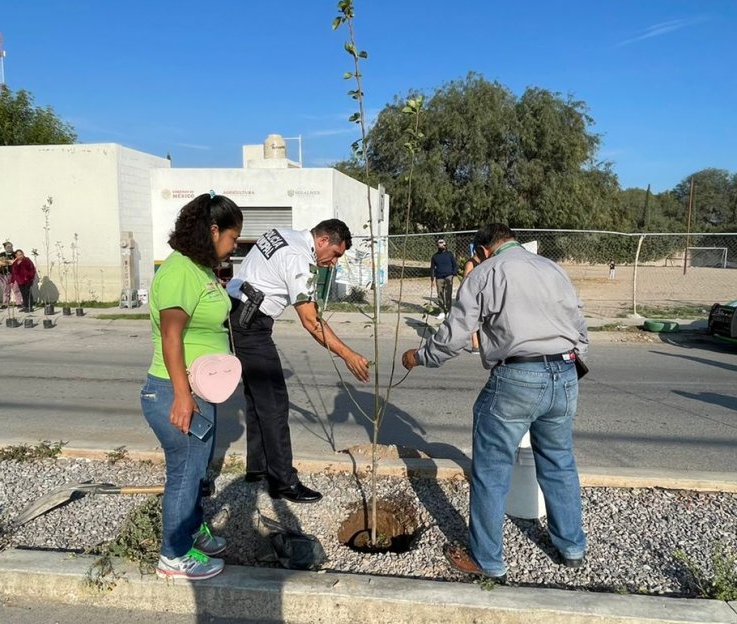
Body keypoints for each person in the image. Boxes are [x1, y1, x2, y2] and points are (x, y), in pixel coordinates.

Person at [402, 223, 589, 583]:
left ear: (483, 250)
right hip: (565, 374)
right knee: (559, 462)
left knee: (491, 471)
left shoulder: (486, 272)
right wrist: (571, 357)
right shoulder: (552, 268)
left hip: (517, 377)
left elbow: (454, 336)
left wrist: (420, 356)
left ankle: (487, 559)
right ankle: (572, 548)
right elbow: (580, 326)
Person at [226, 218, 370, 504]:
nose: (333, 262)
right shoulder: (300, 259)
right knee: (275, 405)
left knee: (257, 398)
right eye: (336, 254)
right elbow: (311, 321)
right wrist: (348, 355)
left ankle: (259, 468)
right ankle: (283, 482)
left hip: (236, 313)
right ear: (323, 241)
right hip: (251, 324)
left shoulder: (280, 232)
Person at [143, 193, 243, 580]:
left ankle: (190, 529)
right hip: (173, 389)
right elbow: (171, 336)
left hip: (197, 390)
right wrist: (183, 396)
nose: (234, 246)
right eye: (233, 238)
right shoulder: (179, 271)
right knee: (184, 473)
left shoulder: (200, 269)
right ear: (213, 230)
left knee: (196, 469)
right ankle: (173, 555)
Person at [430, 238, 457, 319]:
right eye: (439, 243)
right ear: (437, 245)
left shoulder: (449, 254)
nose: (441, 245)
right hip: (439, 278)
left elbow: (454, 265)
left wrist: (453, 275)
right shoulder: (435, 256)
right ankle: (442, 312)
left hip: (449, 276)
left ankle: (448, 311)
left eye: (442, 243)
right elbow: (432, 268)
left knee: (448, 294)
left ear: (445, 245)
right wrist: (432, 279)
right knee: (440, 295)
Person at [463, 244, 482, 354]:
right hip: (472, 294)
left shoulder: (484, 262)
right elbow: (466, 280)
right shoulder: (471, 263)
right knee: (473, 320)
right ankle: (475, 345)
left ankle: (481, 343)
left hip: (482, 294)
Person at [0, 242, 18, 308]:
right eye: (8, 246)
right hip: (3, 274)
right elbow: (0, 262)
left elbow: (15, 262)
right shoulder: (1, 254)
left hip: (13, 274)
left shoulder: (15, 254)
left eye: (11, 246)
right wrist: (9, 262)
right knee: (5, 289)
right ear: (5, 247)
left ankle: (19, 303)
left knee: (16, 289)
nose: (10, 248)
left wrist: (6, 261)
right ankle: (5, 303)